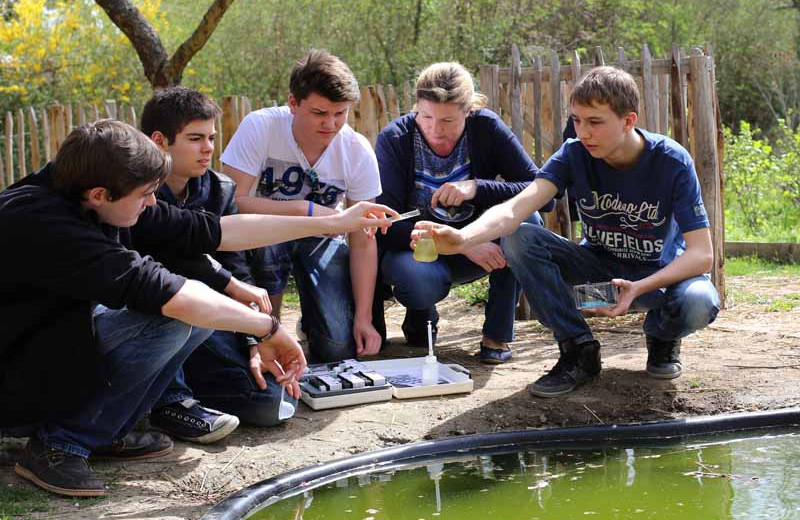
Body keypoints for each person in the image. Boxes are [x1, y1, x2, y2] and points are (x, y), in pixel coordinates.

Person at [0, 119, 396, 497]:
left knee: (195, 311)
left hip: (44, 339)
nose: (152, 203)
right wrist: (267, 328)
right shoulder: (43, 222)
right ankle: (60, 443)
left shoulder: (90, 190)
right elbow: (164, 292)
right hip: (14, 367)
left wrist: (334, 222)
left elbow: (216, 231)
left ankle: (101, 431)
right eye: (144, 195)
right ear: (100, 194)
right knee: (175, 316)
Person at [413, 66, 720, 395]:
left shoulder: (671, 161)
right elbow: (517, 208)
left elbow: (702, 255)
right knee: (520, 234)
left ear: (628, 121)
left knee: (699, 301)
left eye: (595, 122)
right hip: (597, 285)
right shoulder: (574, 153)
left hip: (656, 283)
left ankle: (662, 334)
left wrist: (638, 287)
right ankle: (578, 351)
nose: (583, 132)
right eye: (576, 120)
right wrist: (461, 239)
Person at [141, 86, 297, 430]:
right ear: (159, 140)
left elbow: (236, 267)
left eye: (212, 137)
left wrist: (252, 338)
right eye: (195, 138)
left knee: (269, 403)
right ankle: (169, 401)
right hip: (153, 313)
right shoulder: (135, 192)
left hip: (214, 316)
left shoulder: (220, 189)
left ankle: (179, 391)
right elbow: (160, 263)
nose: (208, 148)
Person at [375, 62, 549, 364]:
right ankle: (421, 317)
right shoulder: (395, 139)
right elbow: (387, 224)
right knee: (417, 279)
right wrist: (462, 244)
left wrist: (477, 188)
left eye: (448, 120)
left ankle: (496, 334)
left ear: (469, 111)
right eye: (426, 116)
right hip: (418, 253)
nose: (435, 129)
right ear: (415, 106)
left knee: (527, 223)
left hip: (480, 243)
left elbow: (542, 195)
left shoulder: (487, 127)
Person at [221, 49, 383, 362]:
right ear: (293, 104)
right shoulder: (260, 127)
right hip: (263, 235)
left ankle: (313, 323)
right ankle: (267, 330)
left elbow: (363, 238)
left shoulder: (357, 150)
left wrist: (363, 317)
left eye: (341, 113)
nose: (331, 124)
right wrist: (305, 210)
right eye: (320, 113)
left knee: (337, 350)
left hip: (322, 241)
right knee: (269, 244)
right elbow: (233, 205)